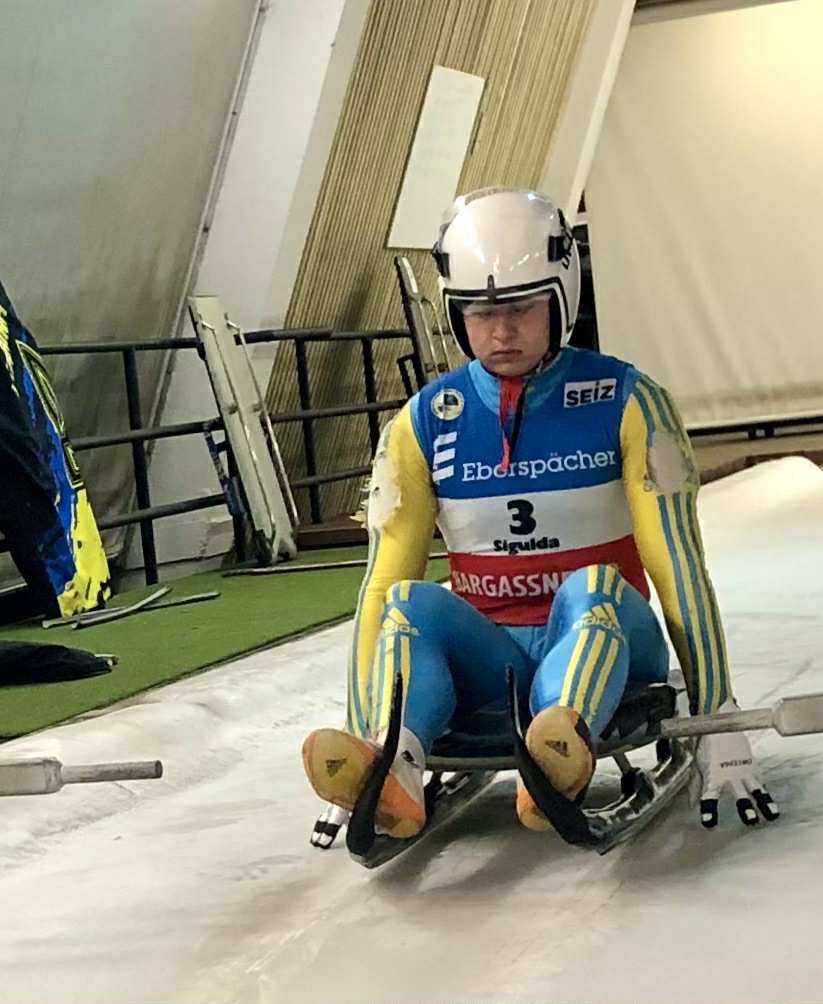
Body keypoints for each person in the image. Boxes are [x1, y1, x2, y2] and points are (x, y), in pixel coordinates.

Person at [302, 187, 778, 839]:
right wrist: (361, 729)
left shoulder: (629, 401)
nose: (501, 332)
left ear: (560, 300)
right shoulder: (420, 423)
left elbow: (677, 566)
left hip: (610, 638)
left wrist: (717, 716)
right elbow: (382, 582)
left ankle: (559, 747)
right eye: (480, 312)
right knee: (409, 603)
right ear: (456, 314)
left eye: (522, 308)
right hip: (494, 656)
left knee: (594, 587)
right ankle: (390, 766)